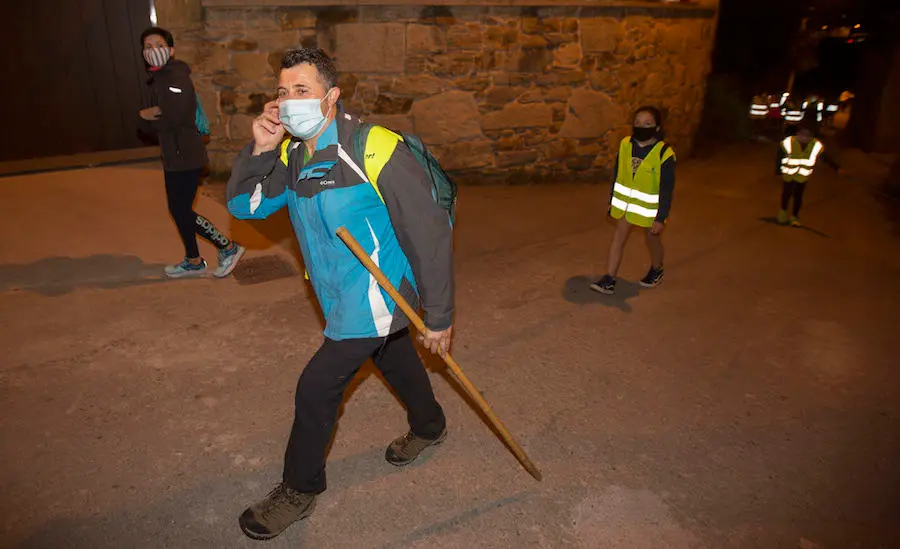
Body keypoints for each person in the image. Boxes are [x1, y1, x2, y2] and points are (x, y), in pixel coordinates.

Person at [226, 48, 454, 541]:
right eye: (283, 93)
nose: (289, 103)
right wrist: (261, 149)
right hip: (335, 294)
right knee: (394, 356)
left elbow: (428, 231)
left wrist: (439, 315)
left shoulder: (374, 147)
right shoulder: (293, 152)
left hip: (377, 293)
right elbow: (245, 207)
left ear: (331, 97)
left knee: (316, 387)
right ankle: (430, 424)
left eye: (302, 91)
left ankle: (299, 489)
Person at [138, 27, 244, 278]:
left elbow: (176, 118)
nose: (154, 50)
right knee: (178, 209)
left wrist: (145, 117)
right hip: (175, 155)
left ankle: (228, 247)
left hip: (186, 156)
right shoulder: (160, 78)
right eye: (148, 47)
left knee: (182, 211)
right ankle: (193, 260)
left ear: (171, 50)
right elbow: (160, 117)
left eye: (159, 44)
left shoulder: (175, 78)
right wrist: (149, 116)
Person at [591, 107, 676, 295]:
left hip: (649, 210)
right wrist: (612, 200)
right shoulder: (625, 145)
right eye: (637, 123)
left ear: (657, 127)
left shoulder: (664, 153)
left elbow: (666, 188)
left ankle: (657, 268)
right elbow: (618, 174)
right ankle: (609, 278)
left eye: (647, 123)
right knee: (618, 238)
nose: (641, 127)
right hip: (626, 205)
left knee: (651, 240)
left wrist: (661, 218)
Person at [777, 122, 841, 227]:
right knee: (786, 194)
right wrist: (778, 170)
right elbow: (779, 156)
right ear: (797, 133)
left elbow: (825, 158)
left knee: (798, 196)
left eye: (808, 135)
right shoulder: (788, 142)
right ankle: (783, 213)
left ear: (812, 136)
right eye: (802, 134)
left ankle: (794, 217)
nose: (804, 138)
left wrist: (836, 168)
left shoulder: (816, 145)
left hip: (802, 176)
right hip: (788, 174)